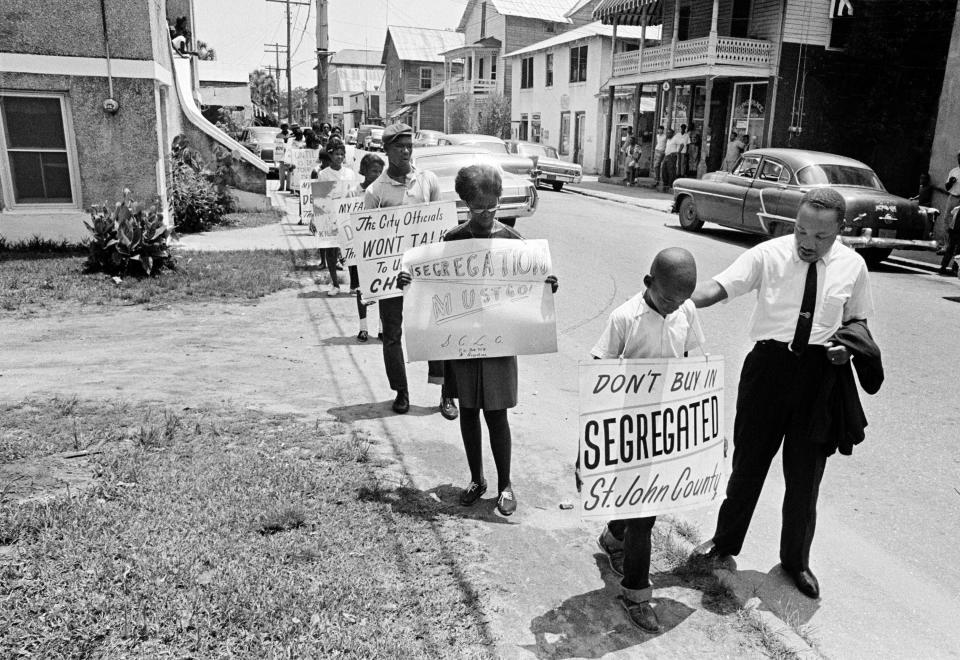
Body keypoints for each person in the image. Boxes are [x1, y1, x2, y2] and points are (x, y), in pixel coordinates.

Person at [690, 187, 882, 600]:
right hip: (768, 371)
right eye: (801, 231)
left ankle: (795, 561)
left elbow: (858, 320)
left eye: (820, 237)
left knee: (804, 478)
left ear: (840, 231)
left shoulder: (854, 266)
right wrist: (672, 297)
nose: (807, 243)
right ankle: (724, 544)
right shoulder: (768, 254)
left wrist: (845, 346)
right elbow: (718, 288)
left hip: (819, 380)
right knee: (748, 465)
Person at [433, 164, 558, 517]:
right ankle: (476, 479)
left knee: (496, 413)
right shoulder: (453, 241)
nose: (486, 215)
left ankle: (505, 483)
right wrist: (413, 282)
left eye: (492, 207)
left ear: (500, 202)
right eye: (477, 208)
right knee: (469, 410)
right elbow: (438, 290)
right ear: (464, 204)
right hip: (464, 341)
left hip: (499, 342)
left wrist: (546, 282)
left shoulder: (513, 242)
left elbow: (534, 282)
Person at [591, 247, 703, 632]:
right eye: (667, 298)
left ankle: (612, 536)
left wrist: (706, 424)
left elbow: (694, 361)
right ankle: (636, 593)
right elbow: (599, 373)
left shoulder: (686, 312)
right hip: (629, 426)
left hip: (668, 425)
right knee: (645, 514)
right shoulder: (624, 318)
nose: (674, 307)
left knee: (644, 502)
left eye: (682, 300)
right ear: (648, 283)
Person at [363, 123, 458, 419]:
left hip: (425, 272)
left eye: (409, 146)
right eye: (399, 147)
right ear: (387, 150)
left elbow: (438, 225)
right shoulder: (375, 191)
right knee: (392, 334)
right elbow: (370, 241)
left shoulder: (427, 180)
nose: (405, 152)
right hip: (391, 276)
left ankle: (446, 393)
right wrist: (370, 280)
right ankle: (401, 391)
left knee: (438, 328)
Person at [347, 153, 385, 341]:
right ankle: (363, 328)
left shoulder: (383, 191)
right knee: (362, 289)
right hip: (360, 247)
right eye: (373, 171)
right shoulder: (354, 192)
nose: (377, 175)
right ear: (363, 171)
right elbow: (345, 220)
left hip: (380, 246)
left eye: (380, 171)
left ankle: (381, 328)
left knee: (384, 288)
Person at [314, 139, 359, 296]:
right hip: (330, 216)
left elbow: (353, 192)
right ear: (330, 155)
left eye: (342, 154)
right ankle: (335, 284)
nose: (339, 157)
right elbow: (321, 197)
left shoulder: (349, 173)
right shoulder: (323, 174)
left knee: (351, 249)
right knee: (331, 250)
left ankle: (354, 284)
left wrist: (351, 194)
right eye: (336, 154)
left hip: (346, 216)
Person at [276, 123, 292, 192]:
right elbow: (276, 146)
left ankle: (288, 187)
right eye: (283, 126)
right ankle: (281, 186)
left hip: (289, 156)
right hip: (282, 156)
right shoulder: (278, 135)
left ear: (287, 127)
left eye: (286, 126)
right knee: (281, 172)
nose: (285, 128)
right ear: (281, 128)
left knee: (289, 172)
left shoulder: (291, 135)